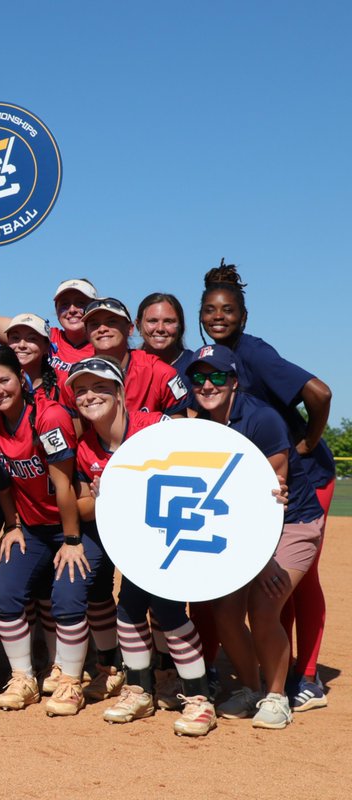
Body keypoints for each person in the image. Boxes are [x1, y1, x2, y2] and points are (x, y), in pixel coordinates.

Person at [198, 261, 335, 711]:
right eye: (211, 310)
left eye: (228, 310)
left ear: (243, 315)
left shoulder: (253, 353)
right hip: (258, 489)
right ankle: (272, 673)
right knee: (268, 591)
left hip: (303, 480)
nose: (219, 317)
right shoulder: (209, 365)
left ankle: (308, 677)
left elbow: (320, 393)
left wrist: (305, 443)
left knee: (298, 577)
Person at [68, 357, 215, 736]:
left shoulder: (154, 425)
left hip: (175, 534)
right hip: (135, 544)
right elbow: (84, 508)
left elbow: (206, 453)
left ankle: (199, 699)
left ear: (119, 392)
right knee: (130, 607)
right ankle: (138, 690)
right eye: (81, 390)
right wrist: (102, 497)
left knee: (167, 608)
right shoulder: (86, 446)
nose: (90, 396)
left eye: (100, 387)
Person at [186, 345, 325, 730]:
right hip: (239, 527)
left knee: (264, 607)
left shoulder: (262, 418)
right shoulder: (201, 423)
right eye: (199, 377)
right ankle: (250, 687)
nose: (208, 384)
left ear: (234, 381)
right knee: (226, 612)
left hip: (290, 522)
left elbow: (270, 498)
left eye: (217, 376)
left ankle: (277, 696)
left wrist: (261, 559)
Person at [0, 346, 100, 717]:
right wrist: (13, 526)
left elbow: (63, 485)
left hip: (74, 525)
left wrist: (73, 540)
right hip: (30, 526)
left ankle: (71, 680)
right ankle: (24, 678)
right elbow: (2, 481)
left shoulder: (49, 416)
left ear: (21, 377)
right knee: (7, 596)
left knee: (66, 595)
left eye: (4, 380)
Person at [0, 232, 97, 364]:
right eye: (65, 304)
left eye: (80, 303)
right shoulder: (43, 336)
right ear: (56, 310)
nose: (72, 309)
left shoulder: (106, 345)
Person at [82, 298, 190, 416]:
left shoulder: (161, 373)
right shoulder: (77, 377)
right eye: (94, 324)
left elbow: (179, 428)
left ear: (130, 329)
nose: (102, 329)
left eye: (111, 322)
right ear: (86, 332)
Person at [136, 292, 189, 370]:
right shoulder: (127, 365)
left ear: (180, 326)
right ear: (138, 325)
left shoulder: (195, 366)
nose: (160, 329)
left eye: (168, 321)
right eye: (152, 321)